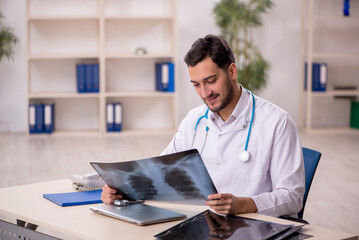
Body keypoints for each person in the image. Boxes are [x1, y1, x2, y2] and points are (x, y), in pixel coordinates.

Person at [102, 34, 305, 218]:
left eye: (210, 81)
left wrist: (244, 204)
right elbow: (159, 171)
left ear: (232, 71)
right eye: (196, 84)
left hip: (253, 225)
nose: (204, 93)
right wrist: (122, 191)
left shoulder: (277, 123)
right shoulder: (194, 120)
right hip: (205, 222)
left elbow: (292, 197)